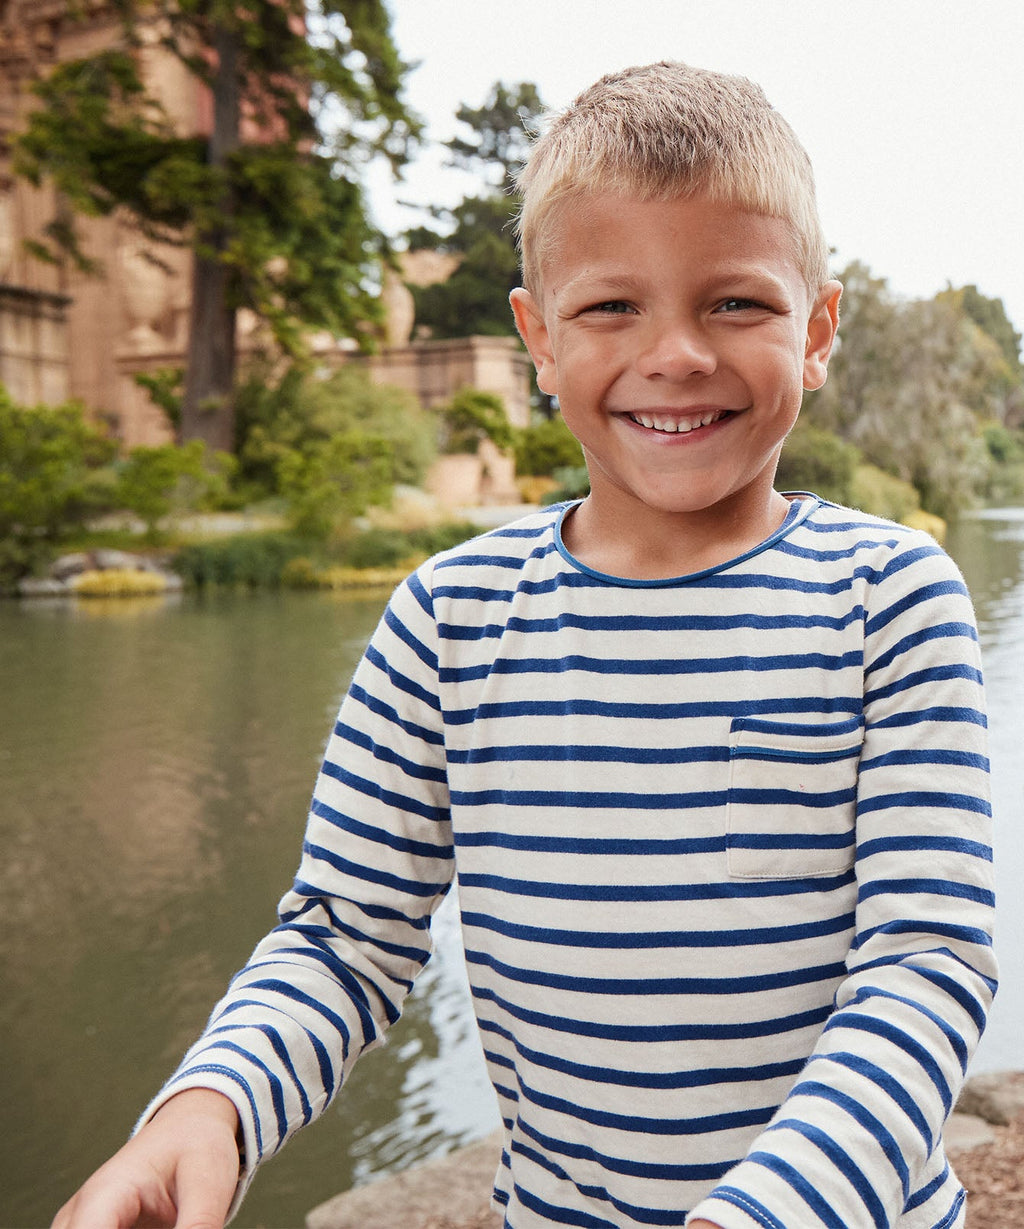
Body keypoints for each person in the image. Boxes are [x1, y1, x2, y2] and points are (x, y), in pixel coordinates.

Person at [54, 61, 996, 1229]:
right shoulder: (448, 618)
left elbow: (924, 966)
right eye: (612, 307)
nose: (678, 355)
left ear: (817, 329)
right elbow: (346, 938)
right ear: (537, 338)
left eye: (735, 303)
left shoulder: (890, 595)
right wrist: (207, 1105)